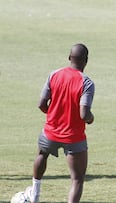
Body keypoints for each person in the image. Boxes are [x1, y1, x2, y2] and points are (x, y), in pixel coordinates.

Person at [25, 43, 95, 203]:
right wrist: (91, 119)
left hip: (50, 131)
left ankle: (34, 194)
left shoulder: (54, 75)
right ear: (86, 61)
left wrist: (54, 115)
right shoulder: (87, 83)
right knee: (77, 179)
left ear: (69, 57)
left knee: (42, 155)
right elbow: (84, 114)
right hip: (74, 137)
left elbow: (41, 104)